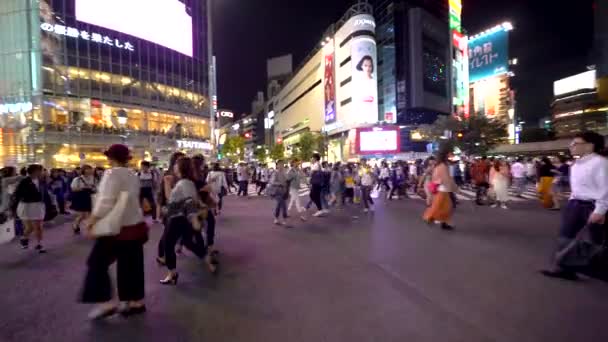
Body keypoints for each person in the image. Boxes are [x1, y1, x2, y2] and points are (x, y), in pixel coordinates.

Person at [80, 144, 148, 319]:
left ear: (111, 158)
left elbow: (106, 201)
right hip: (135, 226)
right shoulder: (133, 174)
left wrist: (92, 220)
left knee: (96, 262)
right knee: (131, 264)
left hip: (115, 229)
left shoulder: (111, 174)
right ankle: (135, 301)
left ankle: (106, 302)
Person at [541, 131, 608, 281]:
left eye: (576, 143)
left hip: (593, 205)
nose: (571, 146)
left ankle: (600, 269)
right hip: (575, 204)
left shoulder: (601, 163)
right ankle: (564, 268)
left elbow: (605, 189)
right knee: (566, 237)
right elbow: (576, 187)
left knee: (597, 241)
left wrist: (600, 210)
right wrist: (571, 200)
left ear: (590, 146)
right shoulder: (576, 164)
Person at [160, 157, 211, 285]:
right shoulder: (184, 182)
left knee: (168, 244)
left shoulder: (184, 183)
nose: (174, 167)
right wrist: (167, 183)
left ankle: (172, 273)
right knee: (187, 242)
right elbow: (170, 198)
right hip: (180, 218)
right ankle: (206, 257)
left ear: (181, 167)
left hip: (178, 218)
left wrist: (194, 219)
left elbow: (189, 202)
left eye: (176, 165)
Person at [14, 164, 48, 252]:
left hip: (38, 205)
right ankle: (24, 238)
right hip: (26, 206)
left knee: (39, 226)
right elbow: (18, 195)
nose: (42, 172)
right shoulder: (24, 181)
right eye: (40, 170)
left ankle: (40, 244)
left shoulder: (42, 181)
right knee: (29, 227)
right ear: (35, 171)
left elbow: (45, 193)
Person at [423, 148, 457, 230]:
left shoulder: (440, 165)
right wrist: (453, 188)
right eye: (449, 155)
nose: (451, 156)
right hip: (443, 189)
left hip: (442, 189)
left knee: (446, 207)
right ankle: (430, 217)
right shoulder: (442, 166)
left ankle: (442, 221)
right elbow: (446, 179)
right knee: (443, 207)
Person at [70, 165, 97, 234]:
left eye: (90, 169)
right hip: (81, 197)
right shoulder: (78, 179)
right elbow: (73, 189)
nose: (89, 171)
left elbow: (97, 188)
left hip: (91, 197)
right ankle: (76, 225)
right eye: (87, 169)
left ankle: (90, 229)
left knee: (90, 214)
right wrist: (83, 188)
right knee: (82, 214)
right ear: (83, 170)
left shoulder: (94, 178)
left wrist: (94, 189)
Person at [269, 160, 289, 225]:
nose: (281, 166)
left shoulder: (285, 172)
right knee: (282, 205)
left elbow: (287, 181)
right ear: (277, 165)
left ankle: (277, 218)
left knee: (279, 205)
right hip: (277, 191)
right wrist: (279, 183)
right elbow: (272, 182)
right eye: (280, 164)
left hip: (284, 191)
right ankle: (283, 219)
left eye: (282, 164)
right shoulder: (275, 173)